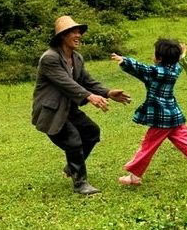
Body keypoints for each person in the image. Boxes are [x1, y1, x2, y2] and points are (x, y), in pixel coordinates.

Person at [32, 16, 132, 195]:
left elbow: (86, 81)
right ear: (62, 36)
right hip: (52, 112)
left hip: (69, 109)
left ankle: (72, 167)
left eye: (79, 32)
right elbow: (66, 83)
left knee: (91, 132)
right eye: (73, 32)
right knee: (73, 140)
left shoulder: (77, 58)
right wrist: (89, 97)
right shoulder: (50, 58)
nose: (78, 35)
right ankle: (80, 183)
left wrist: (108, 93)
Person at [110, 38, 187, 186]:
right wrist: (182, 51)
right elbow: (146, 72)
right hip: (175, 116)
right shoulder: (175, 69)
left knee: (148, 146)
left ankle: (134, 177)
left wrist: (124, 60)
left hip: (161, 118)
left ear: (159, 58)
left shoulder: (156, 71)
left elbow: (142, 68)